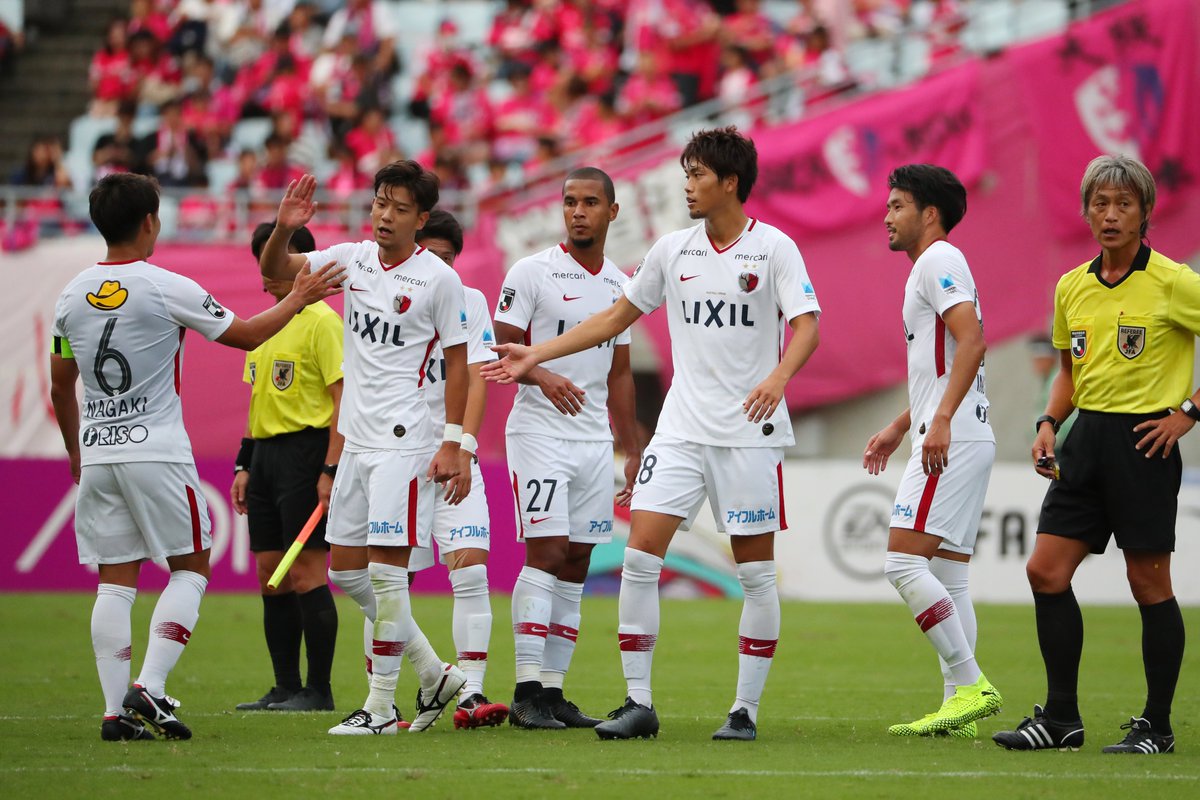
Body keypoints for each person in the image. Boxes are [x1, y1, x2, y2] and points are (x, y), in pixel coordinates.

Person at [483, 128, 821, 741]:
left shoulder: (775, 249)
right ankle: (639, 702)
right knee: (638, 560)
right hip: (680, 431)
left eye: (696, 176)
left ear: (730, 184)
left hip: (749, 432)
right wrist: (535, 356)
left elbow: (806, 327)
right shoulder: (672, 250)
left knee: (754, 577)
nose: (685, 185)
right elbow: (613, 319)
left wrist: (778, 377)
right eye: (685, 174)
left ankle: (743, 710)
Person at [49, 173, 343, 742]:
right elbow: (249, 335)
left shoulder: (70, 294)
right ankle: (150, 689)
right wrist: (301, 296)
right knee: (190, 567)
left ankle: (114, 714)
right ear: (150, 222)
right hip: (155, 450)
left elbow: (61, 387)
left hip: (100, 452)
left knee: (115, 582)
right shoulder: (166, 286)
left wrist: (75, 451)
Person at [259, 162, 471, 736]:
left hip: (405, 444)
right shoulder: (351, 259)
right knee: (348, 573)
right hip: (356, 440)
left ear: (421, 219)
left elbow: (458, 364)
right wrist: (283, 228)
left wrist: (453, 442)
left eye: (400, 208)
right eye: (381, 203)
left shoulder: (438, 280)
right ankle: (435, 672)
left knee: (385, 575)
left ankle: (380, 708)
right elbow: (277, 274)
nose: (385, 215)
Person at [994, 154, 1195, 755]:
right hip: (1085, 444)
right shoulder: (1071, 287)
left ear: (1144, 214)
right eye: (1099, 204)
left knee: (1148, 585)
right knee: (1044, 572)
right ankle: (1061, 720)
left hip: (1143, 445)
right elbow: (1068, 372)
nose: (1109, 215)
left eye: (1122, 205)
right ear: (1085, 211)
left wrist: (1187, 414)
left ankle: (1156, 727)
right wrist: (1049, 422)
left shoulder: (1174, 281)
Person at [492, 167, 640, 731]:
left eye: (590, 203)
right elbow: (499, 348)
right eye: (570, 202)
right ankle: (526, 689)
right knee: (548, 551)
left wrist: (631, 447)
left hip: (593, 440)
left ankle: (553, 693)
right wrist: (545, 376)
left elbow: (621, 375)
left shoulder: (622, 287)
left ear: (612, 212)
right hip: (539, 433)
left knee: (579, 560)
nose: (578, 211)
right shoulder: (531, 271)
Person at [861, 164, 1001, 738]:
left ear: (929, 213)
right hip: (964, 431)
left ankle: (970, 683)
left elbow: (973, 340)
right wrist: (903, 422)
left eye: (897, 205)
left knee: (901, 561)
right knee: (952, 576)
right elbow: (944, 362)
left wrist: (938, 421)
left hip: (953, 436)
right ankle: (958, 710)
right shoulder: (935, 266)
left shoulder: (938, 260)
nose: (887, 216)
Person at [231, 222, 344, 713]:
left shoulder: (322, 322)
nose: (266, 273)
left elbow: (344, 400)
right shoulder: (263, 325)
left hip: (306, 453)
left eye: (276, 262)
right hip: (267, 459)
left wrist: (330, 469)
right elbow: (258, 404)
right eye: (263, 262)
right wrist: (244, 464)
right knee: (267, 574)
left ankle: (318, 691)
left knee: (304, 572)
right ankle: (284, 685)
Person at [408, 209, 510, 729]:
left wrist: (465, 449)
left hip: (454, 457)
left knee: (470, 571)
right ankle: (388, 698)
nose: (441, 269)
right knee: (386, 582)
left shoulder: (469, 302)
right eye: (432, 257)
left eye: (450, 260)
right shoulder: (389, 297)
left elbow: (477, 378)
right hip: (399, 457)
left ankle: (471, 693)